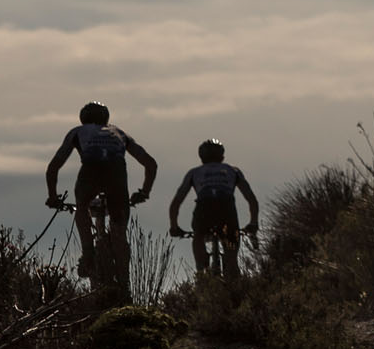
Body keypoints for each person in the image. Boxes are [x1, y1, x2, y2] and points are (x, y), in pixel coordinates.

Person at [46, 101, 158, 295]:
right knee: (119, 229)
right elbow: (150, 164)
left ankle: (88, 253)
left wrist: (53, 196)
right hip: (117, 175)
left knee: (82, 206)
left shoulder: (78, 132)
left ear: (83, 119)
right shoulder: (119, 132)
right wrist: (144, 192)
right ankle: (124, 281)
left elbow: (54, 167)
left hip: (90, 172)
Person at [168, 138, 259, 276]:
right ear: (222, 156)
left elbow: (176, 203)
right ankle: (232, 274)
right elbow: (251, 200)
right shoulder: (233, 171)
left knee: (198, 236)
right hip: (227, 211)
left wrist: (174, 227)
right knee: (231, 258)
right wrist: (253, 223)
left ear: (201, 157)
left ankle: (201, 272)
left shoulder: (194, 173)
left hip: (204, 210)